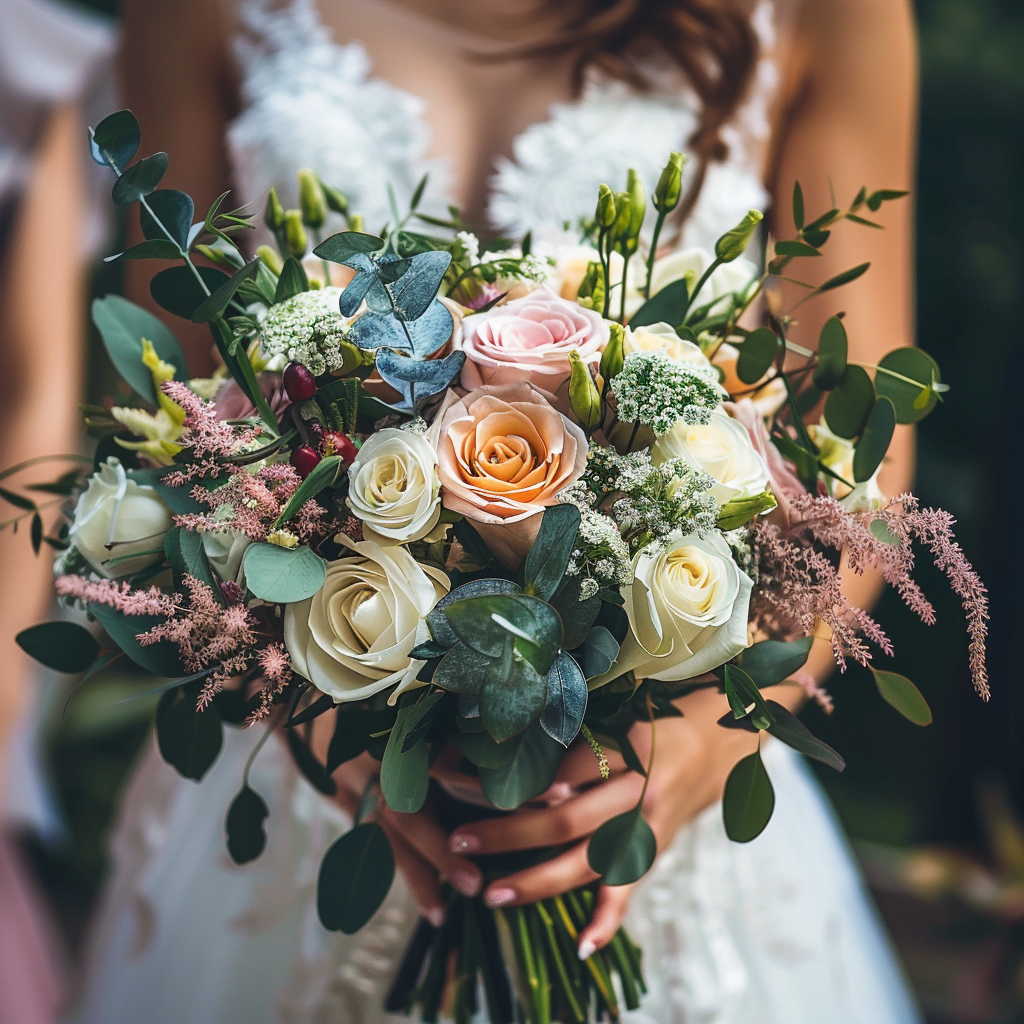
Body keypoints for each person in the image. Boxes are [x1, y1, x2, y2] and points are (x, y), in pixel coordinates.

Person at [68, 1, 921, 1021]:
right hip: (317, 783)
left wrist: (707, 743)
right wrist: (310, 721)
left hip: (648, 782)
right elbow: (188, 419)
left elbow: (861, 468)